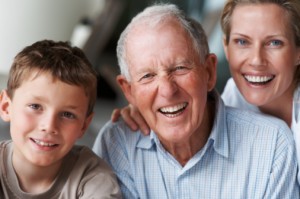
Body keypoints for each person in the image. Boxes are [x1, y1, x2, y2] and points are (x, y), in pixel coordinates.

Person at [92, 4, 299, 198]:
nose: (167, 90)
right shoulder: (117, 144)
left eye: (180, 68)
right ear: (128, 90)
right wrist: (144, 105)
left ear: (209, 72)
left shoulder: (273, 144)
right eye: (147, 76)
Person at [0, 40, 121, 198]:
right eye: (35, 106)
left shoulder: (94, 179)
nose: (49, 126)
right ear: (6, 107)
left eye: (67, 114)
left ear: (84, 125)